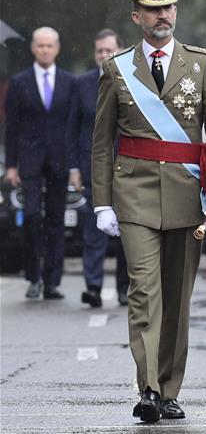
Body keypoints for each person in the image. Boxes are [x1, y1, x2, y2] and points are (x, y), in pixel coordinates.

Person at [91, 0, 206, 422]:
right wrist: (101, 202)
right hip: (132, 195)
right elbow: (102, 140)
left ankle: (171, 388)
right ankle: (149, 389)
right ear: (137, 17)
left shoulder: (202, 65)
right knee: (143, 293)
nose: (163, 16)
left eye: (169, 8)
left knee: (176, 298)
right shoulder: (117, 68)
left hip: (187, 196)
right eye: (153, 10)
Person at [4, 26, 75, 300]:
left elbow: (72, 123)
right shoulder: (19, 82)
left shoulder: (70, 82)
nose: (45, 50)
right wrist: (11, 164)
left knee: (56, 220)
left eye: (50, 46)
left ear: (57, 49)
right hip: (29, 161)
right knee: (33, 216)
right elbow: (11, 127)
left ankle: (52, 281)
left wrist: (75, 164)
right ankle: (33, 277)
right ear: (33, 48)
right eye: (40, 45)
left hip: (59, 160)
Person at [67, 28, 129, 308]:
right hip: (92, 165)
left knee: (127, 231)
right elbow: (72, 128)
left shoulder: (132, 80)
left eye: (109, 50)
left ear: (120, 51)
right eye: (99, 51)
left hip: (128, 166)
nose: (104, 55)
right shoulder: (81, 84)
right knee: (94, 231)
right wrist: (73, 168)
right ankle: (92, 288)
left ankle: (124, 289)